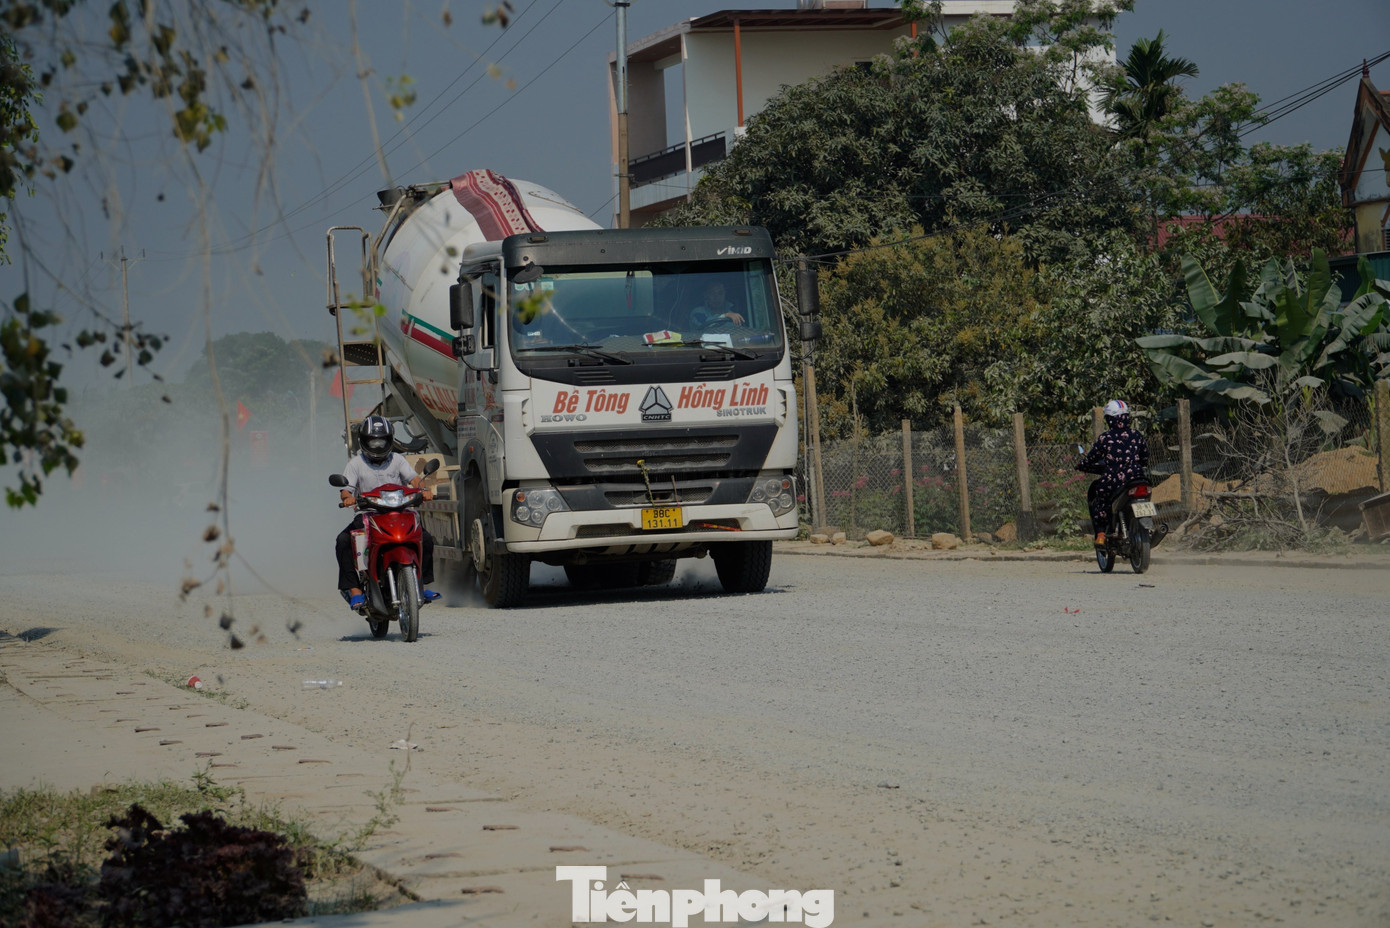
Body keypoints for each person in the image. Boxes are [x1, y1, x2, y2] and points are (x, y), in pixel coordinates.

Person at [335, 415, 440, 609]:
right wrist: (347, 498)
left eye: (381, 441)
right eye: (373, 441)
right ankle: (355, 591)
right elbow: (345, 489)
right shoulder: (355, 464)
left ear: (390, 440)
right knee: (343, 542)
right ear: (364, 441)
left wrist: (424, 490)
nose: (377, 445)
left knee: (425, 539)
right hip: (368, 515)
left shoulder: (398, 460)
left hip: (399, 512)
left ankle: (422, 584)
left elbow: (414, 479)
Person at [1076, 399, 1148, 546]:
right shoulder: (1137, 435)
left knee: (1100, 499)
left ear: (1109, 419)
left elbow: (1091, 458)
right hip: (1137, 476)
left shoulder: (1105, 438)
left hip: (1114, 479)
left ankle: (1101, 534)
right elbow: (1145, 457)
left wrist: (1080, 465)